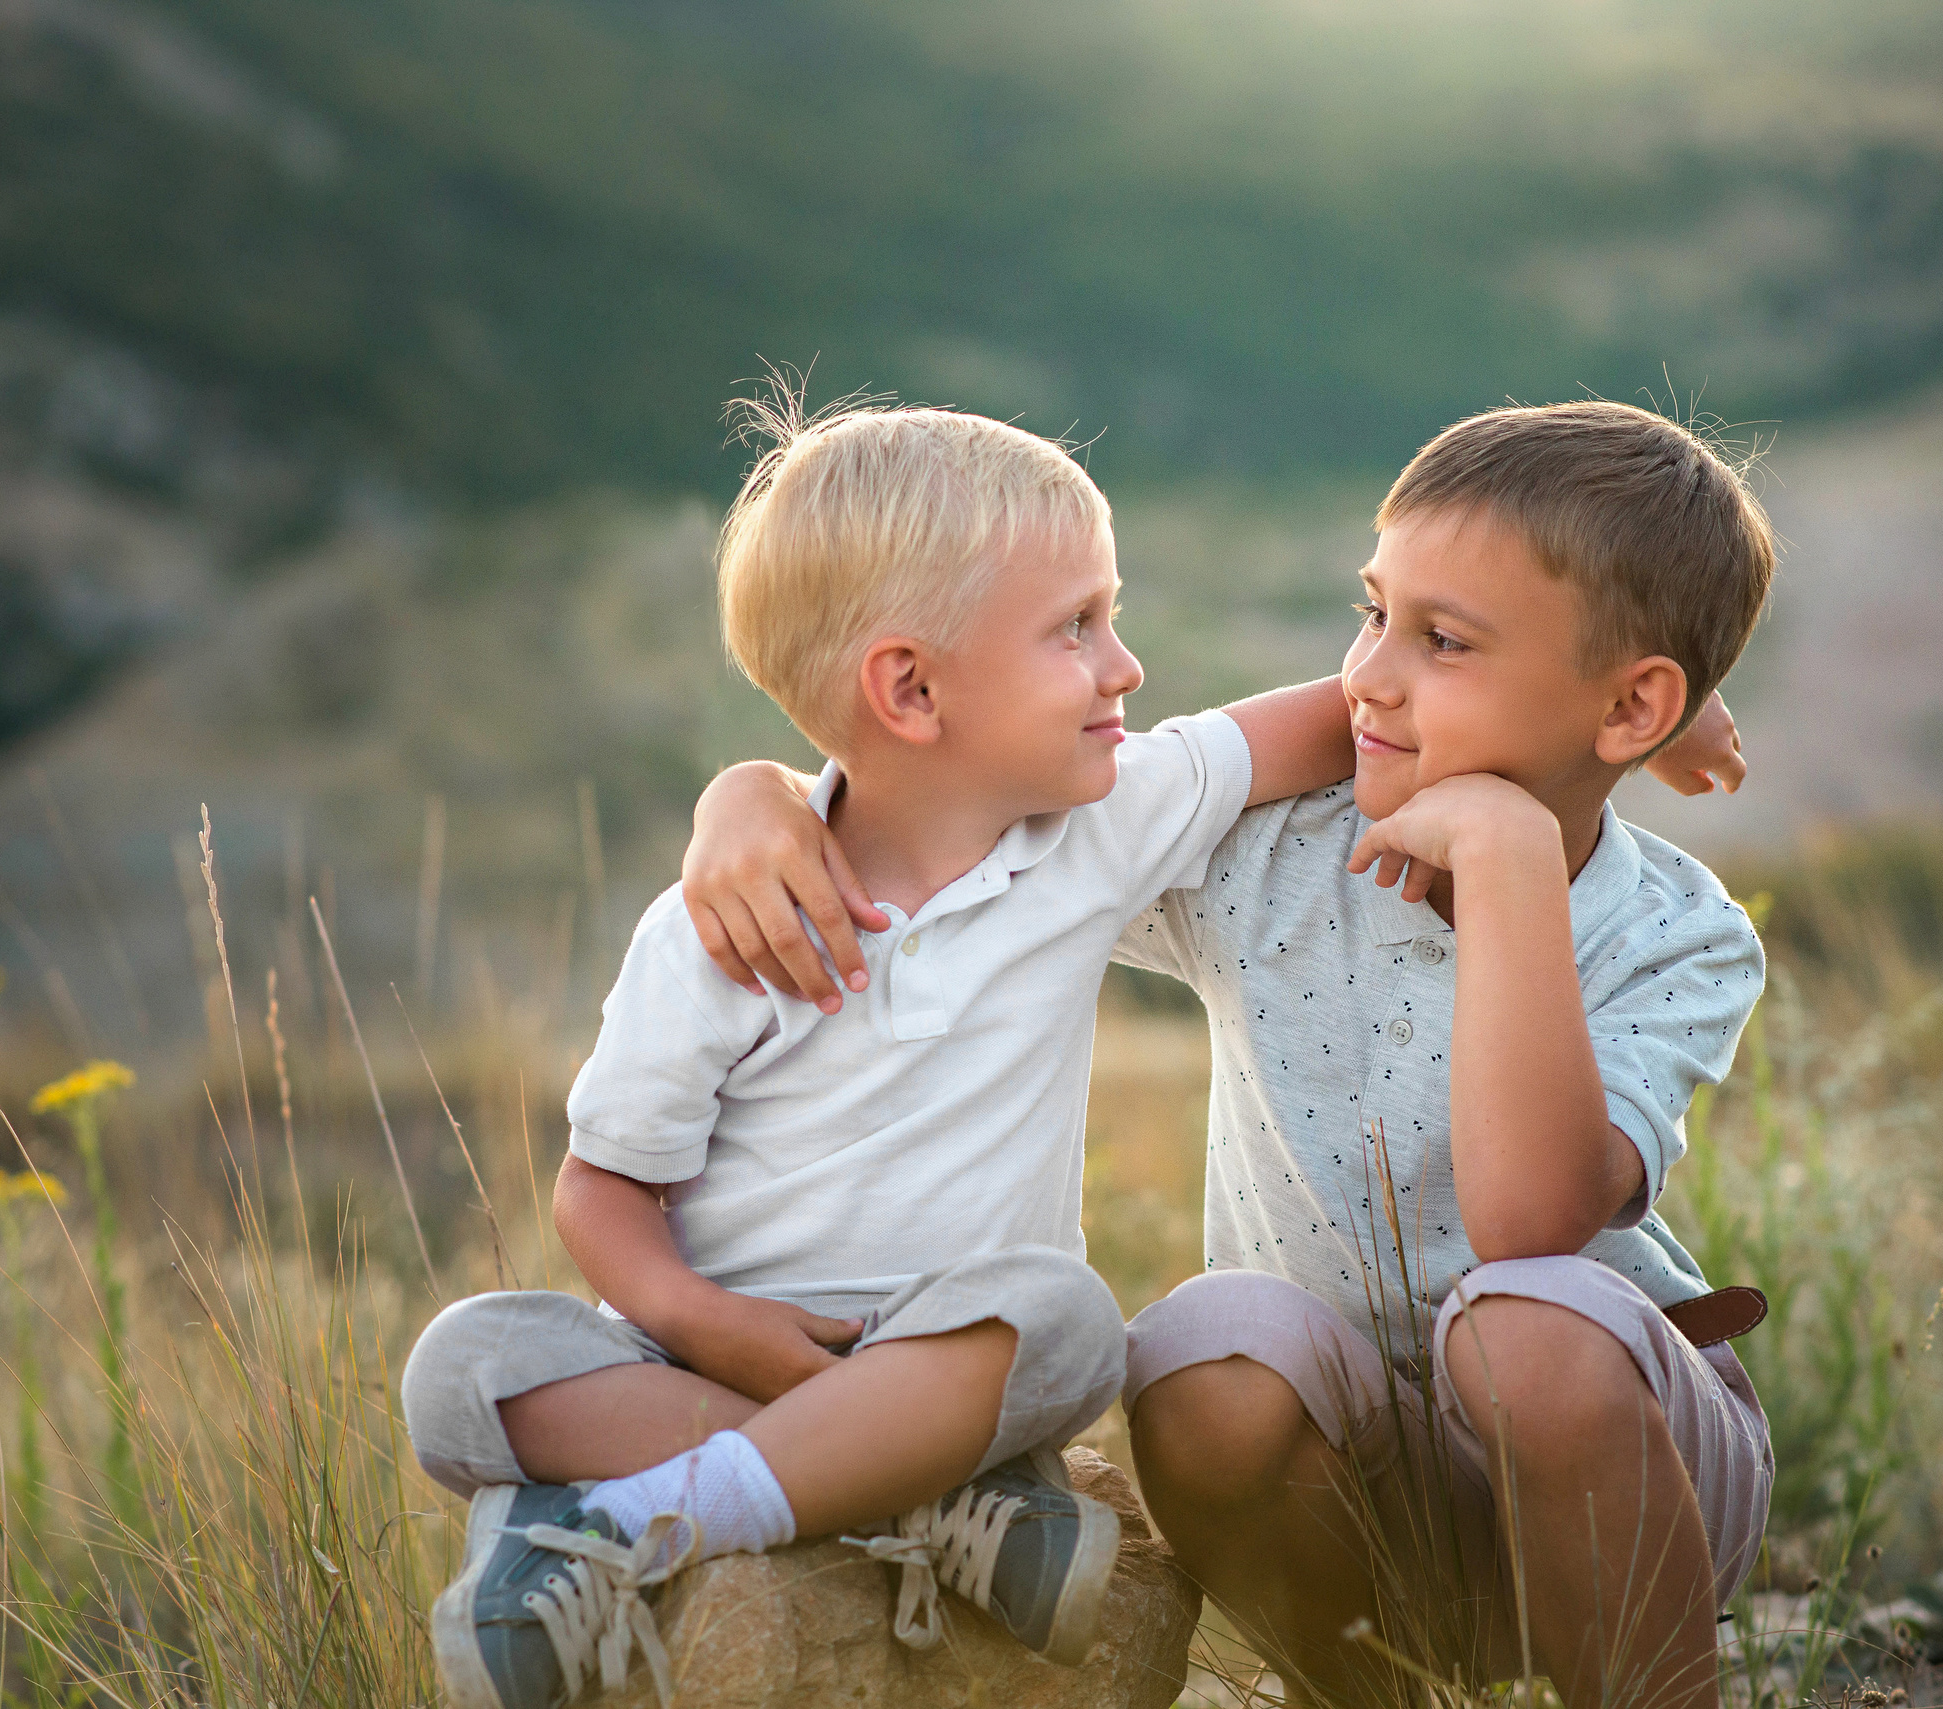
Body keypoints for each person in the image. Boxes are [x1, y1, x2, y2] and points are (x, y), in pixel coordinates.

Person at [681, 399, 1774, 1709]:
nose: (1370, 672)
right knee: (1202, 1349)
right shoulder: (1266, 857)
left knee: (1529, 1329)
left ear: (1632, 700)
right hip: (1373, 1497)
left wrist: (1510, 856)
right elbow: (978, 807)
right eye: (1373, 613)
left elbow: (1528, 1219)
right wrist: (757, 800)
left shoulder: (1677, 932)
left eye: (1442, 640)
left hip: (1628, 1478)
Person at [404, 390, 1381, 1709]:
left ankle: (634, 1523)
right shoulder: (720, 928)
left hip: (959, 1360)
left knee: (1069, 1321)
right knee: (463, 1370)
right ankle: (912, 1502)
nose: (1126, 665)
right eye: (1077, 626)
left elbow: (1336, 722)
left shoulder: (1095, 827)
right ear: (911, 688)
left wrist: (1599, 698)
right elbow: (604, 1189)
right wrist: (709, 1320)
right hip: (699, 1367)